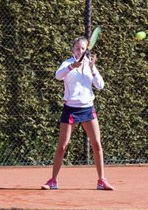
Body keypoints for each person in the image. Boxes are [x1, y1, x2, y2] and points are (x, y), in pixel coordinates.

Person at [43, 34, 113, 190]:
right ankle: (53, 181)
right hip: (70, 110)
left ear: (86, 50)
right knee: (62, 146)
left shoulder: (90, 65)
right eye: (77, 48)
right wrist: (71, 67)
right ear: (72, 49)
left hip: (88, 108)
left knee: (97, 145)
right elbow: (57, 76)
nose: (80, 51)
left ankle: (101, 180)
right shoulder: (67, 63)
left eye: (82, 48)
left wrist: (93, 69)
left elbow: (100, 85)